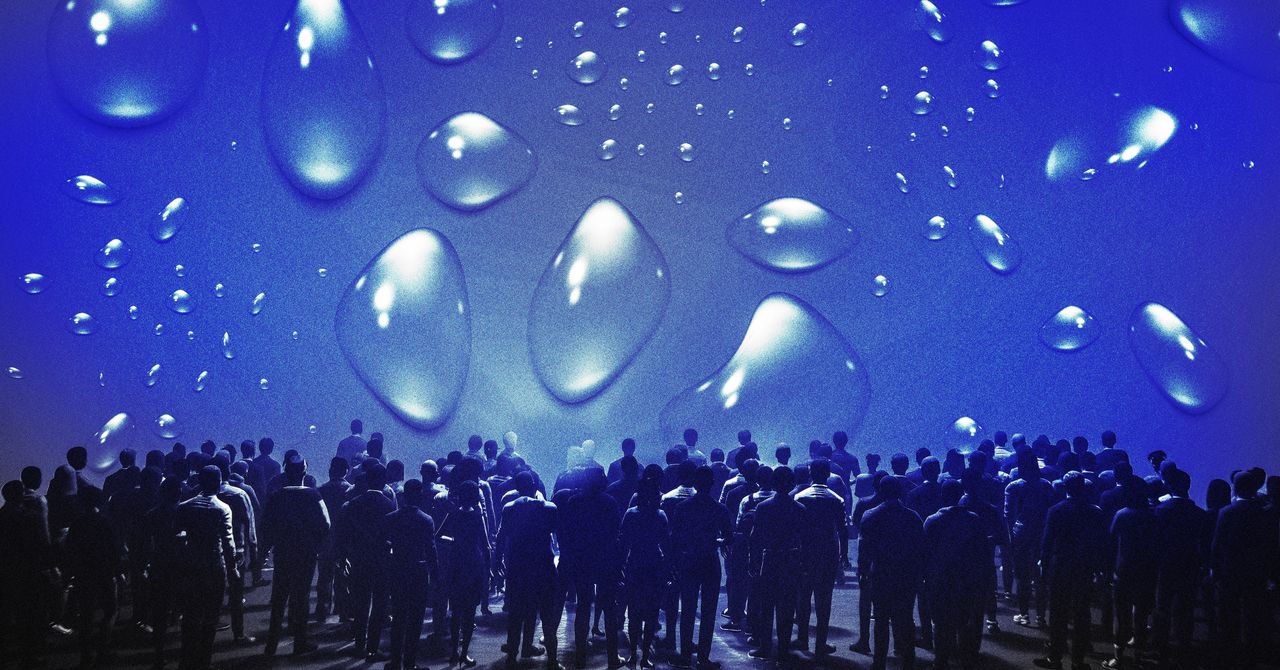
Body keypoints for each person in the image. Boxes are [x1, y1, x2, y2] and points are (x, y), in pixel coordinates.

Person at [1033, 472, 1106, 670]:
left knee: (1058, 613)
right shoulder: (1095, 512)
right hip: (1084, 567)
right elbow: (1101, 543)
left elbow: (1047, 541)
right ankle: (1078, 661)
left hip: (1060, 566)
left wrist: (1044, 565)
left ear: (1065, 487)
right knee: (1082, 614)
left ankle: (1055, 658)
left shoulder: (1056, 510)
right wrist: (1100, 569)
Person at [262, 456, 330, 656]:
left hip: (283, 551)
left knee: (279, 597)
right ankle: (300, 642)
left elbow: (266, 525)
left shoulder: (276, 496)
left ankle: (271, 644)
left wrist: (271, 545)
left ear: (286, 472)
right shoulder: (313, 495)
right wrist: (315, 542)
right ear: (304, 472)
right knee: (301, 597)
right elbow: (326, 523)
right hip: (305, 553)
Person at [1211, 469, 1277, 669]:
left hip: (1230, 572)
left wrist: (1215, 571)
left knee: (1228, 615)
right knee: (1252, 615)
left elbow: (1217, 545)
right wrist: (1271, 574)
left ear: (1235, 488)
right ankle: (1251, 657)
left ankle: (1229, 656)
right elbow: (1271, 546)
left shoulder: (1226, 512)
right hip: (1256, 572)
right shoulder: (1264, 512)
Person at [174, 466, 238, 670]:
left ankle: (186, 662)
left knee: (190, 616)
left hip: (190, 564)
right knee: (210, 618)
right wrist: (233, 568)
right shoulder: (222, 508)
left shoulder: (184, 506)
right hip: (213, 565)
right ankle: (203, 662)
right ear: (219, 482)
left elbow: (176, 535)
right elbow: (228, 542)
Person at [669, 466, 733, 670]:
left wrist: (675, 561)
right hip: (710, 561)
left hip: (689, 560)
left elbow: (674, 538)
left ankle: (685, 655)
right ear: (712, 484)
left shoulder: (682, 508)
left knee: (688, 609)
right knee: (708, 611)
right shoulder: (719, 508)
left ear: (695, 483)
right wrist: (716, 541)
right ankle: (703, 659)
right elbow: (729, 537)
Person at [497, 472, 562, 670]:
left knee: (516, 615)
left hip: (518, 567)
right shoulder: (549, 508)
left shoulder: (509, 508)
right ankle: (552, 660)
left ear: (517, 488)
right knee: (547, 615)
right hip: (543, 566)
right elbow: (559, 536)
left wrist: (497, 563)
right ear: (535, 486)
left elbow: (501, 538)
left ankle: (511, 657)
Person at [859, 475, 925, 670]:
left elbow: (864, 548)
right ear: (900, 492)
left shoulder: (870, 515)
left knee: (881, 619)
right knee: (905, 618)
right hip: (906, 574)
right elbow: (920, 548)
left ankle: (879, 661)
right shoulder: (913, 516)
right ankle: (908, 660)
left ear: (880, 491)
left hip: (881, 572)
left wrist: (863, 572)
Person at [560, 469, 624, 668]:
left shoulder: (574, 502)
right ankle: (612, 657)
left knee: (583, 606)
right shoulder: (610, 502)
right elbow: (616, 533)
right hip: (605, 559)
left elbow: (567, 532)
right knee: (609, 607)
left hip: (582, 559)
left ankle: (580, 656)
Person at [923, 480, 985, 670]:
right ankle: (965, 660)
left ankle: (940, 661)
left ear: (942, 496)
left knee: (940, 621)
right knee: (964, 620)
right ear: (960, 495)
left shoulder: (933, 520)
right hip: (966, 576)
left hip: (940, 576)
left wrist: (925, 576)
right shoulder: (973, 519)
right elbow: (981, 550)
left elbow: (925, 552)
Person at [337, 462, 396, 661]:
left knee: (360, 603)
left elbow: (344, 533)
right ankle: (373, 647)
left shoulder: (354, 504)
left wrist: (343, 556)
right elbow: (391, 534)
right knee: (379, 605)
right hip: (381, 559)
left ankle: (359, 644)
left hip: (358, 557)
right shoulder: (389, 504)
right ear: (384, 481)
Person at [1150, 468, 1207, 668]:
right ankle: (1184, 647)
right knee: (1186, 608)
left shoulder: (1160, 511)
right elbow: (1203, 544)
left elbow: (1154, 541)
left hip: (1165, 565)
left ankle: (1161, 649)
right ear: (1188, 486)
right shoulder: (1199, 514)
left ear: (1168, 485)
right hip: (1189, 565)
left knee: (1162, 607)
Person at [380, 478, 439, 670]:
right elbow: (431, 550)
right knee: (415, 619)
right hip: (418, 571)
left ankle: (395, 661)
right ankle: (410, 663)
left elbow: (383, 545)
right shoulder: (426, 519)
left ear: (404, 496)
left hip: (397, 569)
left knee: (398, 617)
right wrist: (435, 575)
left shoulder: (391, 518)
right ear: (420, 496)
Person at [746, 466, 802, 660]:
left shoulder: (763, 507)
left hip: (769, 559)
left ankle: (765, 646)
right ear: (792, 484)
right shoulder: (799, 508)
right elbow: (804, 539)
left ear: (773, 483)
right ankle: (784, 650)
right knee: (787, 607)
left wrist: (753, 561)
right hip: (791, 559)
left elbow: (755, 537)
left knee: (767, 605)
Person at [1105, 479, 1159, 669]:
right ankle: (1138, 656)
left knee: (1121, 614)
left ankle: (1117, 657)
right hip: (1146, 570)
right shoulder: (1153, 515)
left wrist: (1107, 568)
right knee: (1141, 614)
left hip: (1124, 569)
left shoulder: (1122, 514)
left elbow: (1111, 540)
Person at [794, 459, 844, 656]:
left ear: (810, 474)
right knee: (824, 598)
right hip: (828, 551)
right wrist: (844, 556)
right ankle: (821, 643)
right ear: (828, 474)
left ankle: (802, 638)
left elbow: (796, 528)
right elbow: (842, 530)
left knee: (803, 596)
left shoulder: (800, 497)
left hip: (805, 551)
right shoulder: (836, 499)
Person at [620, 478, 671, 668]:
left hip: (635, 565)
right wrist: (668, 570)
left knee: (634, 613)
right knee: (651, 613)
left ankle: (634, 654)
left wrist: (620, 568)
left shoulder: (631, 514)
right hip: (654, 566)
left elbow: (623, 543)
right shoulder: (660, 515)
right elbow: (666, 545)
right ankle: (644, 657)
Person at [438, 480, 488, 667]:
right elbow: (485, 544)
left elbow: (438, 535)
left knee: (456, 610)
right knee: (470, 612)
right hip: (474, 564)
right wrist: (489, 569)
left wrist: (454, 541)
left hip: (456, 564)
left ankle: (454, 652)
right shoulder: (477, 516)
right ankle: (464, 653)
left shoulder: (453, 514)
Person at [1005, 450, 1054, 628]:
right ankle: (1041, 617)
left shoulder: (1013, 487)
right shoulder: (1046, 485)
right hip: (1041, 532)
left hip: (1021, 532)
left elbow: (1008, 514)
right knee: (1040, 576)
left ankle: (1024, 614)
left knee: (1022, 576)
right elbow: (1050, 510)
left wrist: (1009, 536)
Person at [213, 454, 257, 644]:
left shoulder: (197, 494)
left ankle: (209, 629)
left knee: (210, 591)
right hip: (236, 549)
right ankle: (238, 634)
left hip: (209, 550)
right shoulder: (238, 494)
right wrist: (254, 552)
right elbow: (249, 523)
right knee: (237, 593)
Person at [315, 457, 353, 621]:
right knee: (343, 575)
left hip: (326, 537)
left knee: (324, 576)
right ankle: (342, 609)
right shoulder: (351, 490)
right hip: (344, 538)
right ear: (346, 471)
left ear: (331, 470)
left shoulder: (321, 489)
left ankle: (322, 610)